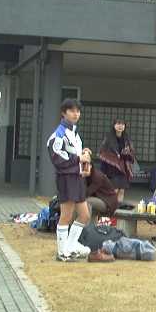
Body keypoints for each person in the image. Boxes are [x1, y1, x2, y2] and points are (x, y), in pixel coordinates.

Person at [47, 98, 92, 261]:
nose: (76, 114)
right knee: (66, 215)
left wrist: (83, 156)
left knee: (85, 215)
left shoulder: (74, 132)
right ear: (63, 113)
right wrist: (79, 158)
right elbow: (58, 158)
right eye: (72, 111)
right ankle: (62, 252)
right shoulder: (58, 134)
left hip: (77, 178)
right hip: (66, 179)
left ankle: (71, 246)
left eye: (78, 111)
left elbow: (74, 153)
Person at [99, 119, 135, 203]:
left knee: (122, 190)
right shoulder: (108, 138)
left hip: (123, 168)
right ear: (114, 125)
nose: (120, 126)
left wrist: (127, 153)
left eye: (122, 124)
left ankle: (118, 207)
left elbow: (131, 153)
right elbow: (103, 153)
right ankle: (111, 206)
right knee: (114, 190)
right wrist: (103, 170)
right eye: (118, 124)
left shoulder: (126, 138)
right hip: (111, 167)